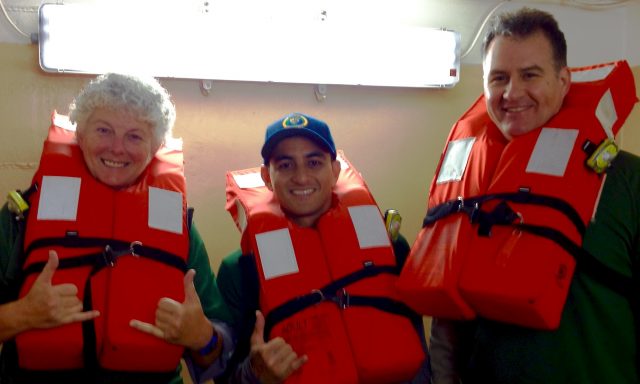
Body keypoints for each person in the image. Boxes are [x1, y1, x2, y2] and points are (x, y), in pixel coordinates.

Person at [426, 7, 639, 384]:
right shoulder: (468, 185)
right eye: (498, 78)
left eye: (530, 75)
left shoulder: (628, 181)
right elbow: (447, 331)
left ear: (563, 80)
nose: (511, 93)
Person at [0, 73, 233, 384]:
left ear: (155, 148)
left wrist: (203, 336)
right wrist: (20, 316)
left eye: (135, 136)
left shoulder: (180, 229)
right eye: (103, 130)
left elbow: (220, 355)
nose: (117, 148)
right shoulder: (22, 216)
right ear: (80, 135)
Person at [216, 112, 430, 383]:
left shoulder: (391, 246)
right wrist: (253, 373)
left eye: (314, 162)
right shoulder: (240, 270)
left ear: (335, 170)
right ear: (266, 177)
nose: (302, 177)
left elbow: (418, 349)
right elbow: (226, 377)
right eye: (285, 165)